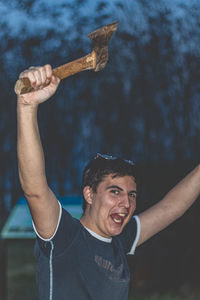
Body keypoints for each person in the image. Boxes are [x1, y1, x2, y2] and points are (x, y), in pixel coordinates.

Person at [17, 65, 200, 300]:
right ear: (89, 194)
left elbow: (171, 208)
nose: (126, 202)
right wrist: (27, 107)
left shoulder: (120, 241)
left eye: (131, 195)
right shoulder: (63, 235)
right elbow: (34, 190)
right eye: (115, 191)